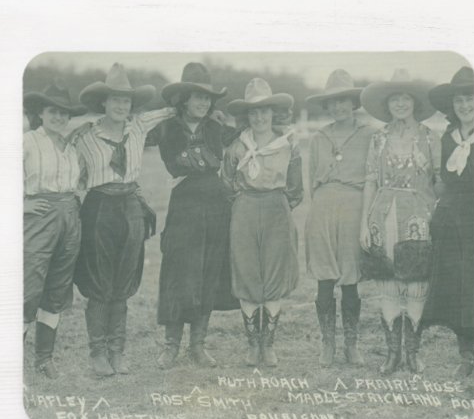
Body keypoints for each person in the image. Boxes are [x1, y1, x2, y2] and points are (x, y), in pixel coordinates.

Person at [72, 63, 176, 377]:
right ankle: (98, 353)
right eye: (115, 99)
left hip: (130, 205)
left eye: (126, 100)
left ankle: (118, 351)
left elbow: (171, 111)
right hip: (99, 207)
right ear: (103, 102)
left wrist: (194, 105)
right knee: (100, 281)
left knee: (124, 282)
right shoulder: (85, 137)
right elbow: (72, 174)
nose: (121, 106)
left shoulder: (139, 127)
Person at [154, 62, 236, 369]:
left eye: (207, 98)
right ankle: (171, 346)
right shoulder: (167, 128)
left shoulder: (216, 127)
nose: (202, 103)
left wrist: (224, 120)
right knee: (178, 273)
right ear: (184, 99)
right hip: (184, 206)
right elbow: (173, 163)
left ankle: (198, 345)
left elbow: (240, 137)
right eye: (196, 97)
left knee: (208, 272)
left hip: (216, 205)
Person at [359, 68, 440, 375]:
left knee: (416, 284)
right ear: (387, 104)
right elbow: (369, 180)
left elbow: (440, 181)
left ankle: (413, 354)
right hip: (382, 214)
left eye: (406, 99)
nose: (401, 105)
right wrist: (364, 224)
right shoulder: (378, 138)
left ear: (415, 103)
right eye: (395, 100)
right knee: (388, 284)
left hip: (419, 216)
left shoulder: (430, 138)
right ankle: (392, 355)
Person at [222, 78, 303, 367]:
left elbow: (295, 188)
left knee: (274, 273)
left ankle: (268, 344)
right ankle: (251, 344)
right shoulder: (236, 146)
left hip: (276, 209)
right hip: (244, 209)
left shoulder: (288, 145)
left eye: (264, 111)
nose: (259, 117)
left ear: (273, 113)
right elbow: (227, 183)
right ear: (246, 116)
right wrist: (246, 204)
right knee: (247, 273)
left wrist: (276, 205)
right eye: (253, 112)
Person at [305, 69, 376, 368]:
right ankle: (327, 344)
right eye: (332, 102)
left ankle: (351, 344)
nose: (338, 107)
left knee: (350, 277)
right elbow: (312, 182)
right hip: (323, 207)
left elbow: (373, 176)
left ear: (353, 102)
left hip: (354, 205)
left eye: (344, 101)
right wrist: (320, 207)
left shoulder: (369, 134)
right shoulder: (319, 137)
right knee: (325, 275)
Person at [23, 80, 86, 378]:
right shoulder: (27, 142)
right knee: (28, 288)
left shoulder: (70, 145)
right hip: (39, 217)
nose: (59, 117)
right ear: (41, 113)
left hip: (69, 217)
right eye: (52, 111)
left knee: (57, 289)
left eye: (64, 112)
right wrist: (21, 206)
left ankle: (43, 359)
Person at [422, 67, 474, 378]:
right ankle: (466, 353)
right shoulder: (449, 137)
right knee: (459, 286)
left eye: (470, 99)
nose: (465, 106)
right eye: (459, 101)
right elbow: (444, 181)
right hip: (453, 218)